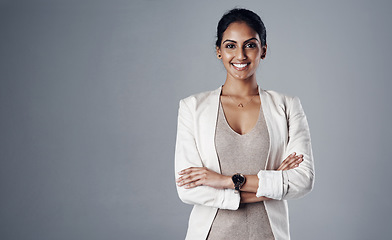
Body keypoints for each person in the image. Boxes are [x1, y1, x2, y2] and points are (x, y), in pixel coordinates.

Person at [174, 8, 314, 240]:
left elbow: (303, 180)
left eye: (250, 45)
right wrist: (272, 184)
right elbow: (188, 189)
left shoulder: (288, 106)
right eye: (230, 45)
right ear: (219, 51)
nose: (240, 55)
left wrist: (223, 181)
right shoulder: (192, 107)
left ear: (264, 50)